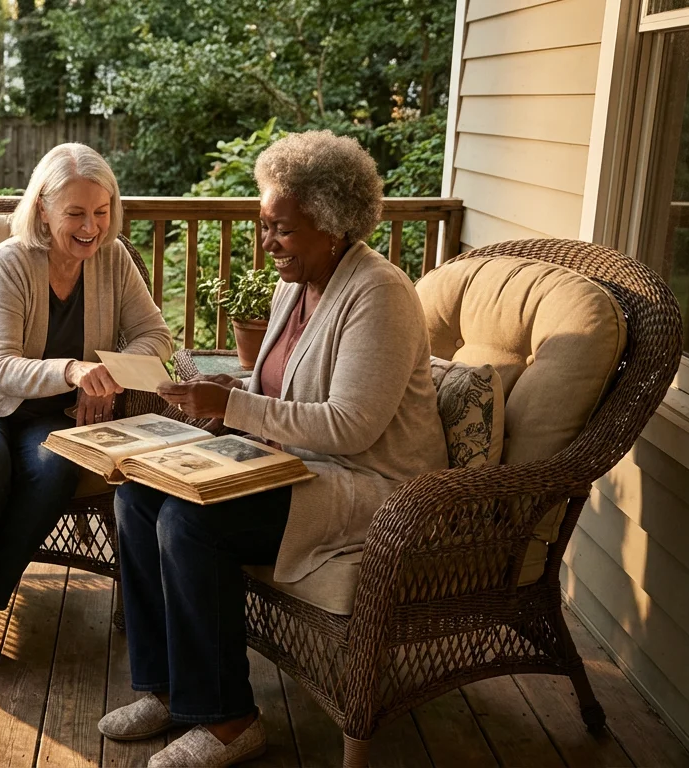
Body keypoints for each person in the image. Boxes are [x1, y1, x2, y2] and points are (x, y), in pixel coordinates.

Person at [97, 130, 447, 766]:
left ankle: (229, 720)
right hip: (288, 466)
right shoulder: (294, 287)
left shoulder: (380, 294)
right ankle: (164, 688)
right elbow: (274, 390)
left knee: (190, 520)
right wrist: (226, 394)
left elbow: (352, 427)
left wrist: (230, 406)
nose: (267, 243)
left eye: (281, 229)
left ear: (332, 225)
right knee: (139, 498)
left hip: (369, 487)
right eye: (264, 226)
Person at [0, 143, 173, 693]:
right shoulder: (10, 262)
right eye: (75, 213)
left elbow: (157, 337)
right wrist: (74, 372)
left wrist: (104, 372)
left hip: (50, 413)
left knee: (55, 467)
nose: (91, 227)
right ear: (43, 209)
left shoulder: (114, 260)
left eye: (101, 211)